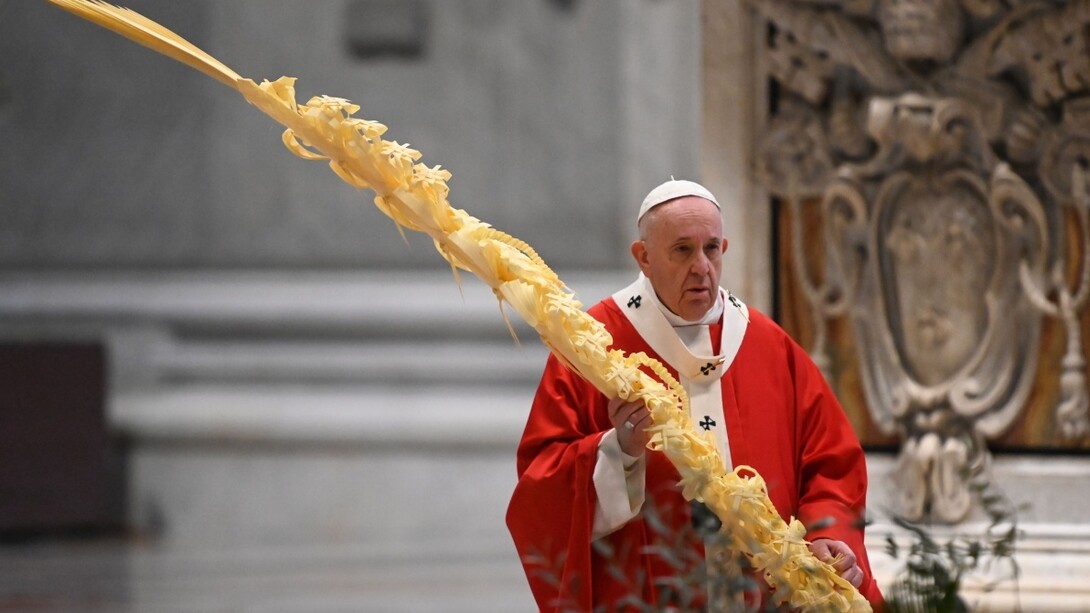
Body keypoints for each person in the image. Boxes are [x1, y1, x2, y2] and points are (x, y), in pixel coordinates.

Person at [506, 179, 883, 611]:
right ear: (643, 258)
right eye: (683, 250)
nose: (702, 266)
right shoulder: (594, 344)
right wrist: (619, 452)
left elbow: (831, 464)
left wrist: (827, 536)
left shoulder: (766, 343)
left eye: (712, 249)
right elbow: (541, 487)